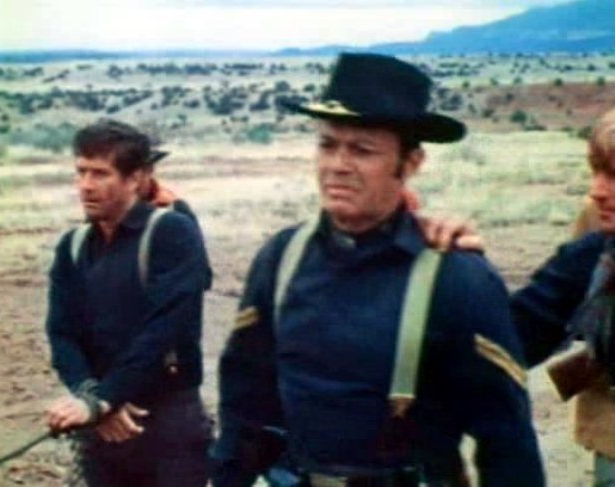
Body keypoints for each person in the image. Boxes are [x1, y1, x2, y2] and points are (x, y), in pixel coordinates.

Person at [211, 53, 544, 487]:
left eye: (362, 150)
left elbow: (507, 441)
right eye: (327, 145)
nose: (338, 165)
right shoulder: (281, 259)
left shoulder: (458, 280)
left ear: (411, 163)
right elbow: (244, 400)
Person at [44, 119, 213, 486]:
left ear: (135, 178)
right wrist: (93, 399)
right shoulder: (73, 246)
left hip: (168, 424)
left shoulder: (172, 231)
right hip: (102, 428)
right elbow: (61, 333)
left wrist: (104, 399)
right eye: (81, 171)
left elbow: (164, 330)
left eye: (100, 173)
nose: (86, 185)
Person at [511, 108, 615, 486]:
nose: (597, 190)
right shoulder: (598, 238)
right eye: (596, 171)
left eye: (614, 175)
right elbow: (523, 328)